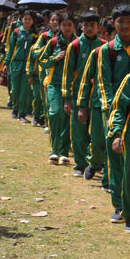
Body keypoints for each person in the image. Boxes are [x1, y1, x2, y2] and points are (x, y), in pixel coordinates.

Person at [95, 4, 130, 225]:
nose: (125, 26)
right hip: (114, 112)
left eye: (129, 21)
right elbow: (103, 82)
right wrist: (109, 112)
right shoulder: (107, 51)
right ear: (113, 24)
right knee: (115, 160)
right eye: (120, 22)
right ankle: (119, 205)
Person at [64, 10, 102, 177]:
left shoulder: (104, 46)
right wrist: (67, 98)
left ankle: (96, 162)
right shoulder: (74, 46)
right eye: (86, 25)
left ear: (98, 27)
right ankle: (80, 164)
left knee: (97, 132)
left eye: (92, 25)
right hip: (78, 95)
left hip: (98, 95)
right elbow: (67, 73)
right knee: (79, 131)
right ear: (81, 27)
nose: (89, 28)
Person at [42, 12, 76, 165]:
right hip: (54, 84)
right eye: (64, 25)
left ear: (74, 26)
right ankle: (54, 150)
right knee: (55, 113)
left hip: (72, 85)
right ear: (59, 26)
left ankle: (63, 152)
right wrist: (54, 59)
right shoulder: (53, 42)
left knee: (67, 116)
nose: (67, 28)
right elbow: (41, 61)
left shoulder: (78, 43)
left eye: (69, 25)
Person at [7, 11, 37, 121]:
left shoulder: (35, 35)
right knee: (15, 89)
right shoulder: (16, 32)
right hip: (16, 63)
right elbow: (10, 48)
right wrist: (6, 62)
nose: (27, 21)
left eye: (30, 19)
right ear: (21, 19)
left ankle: (22, 114)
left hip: (28, 65)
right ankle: (15, 109)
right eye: (25, 18)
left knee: (25, 90)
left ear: (33, 21)